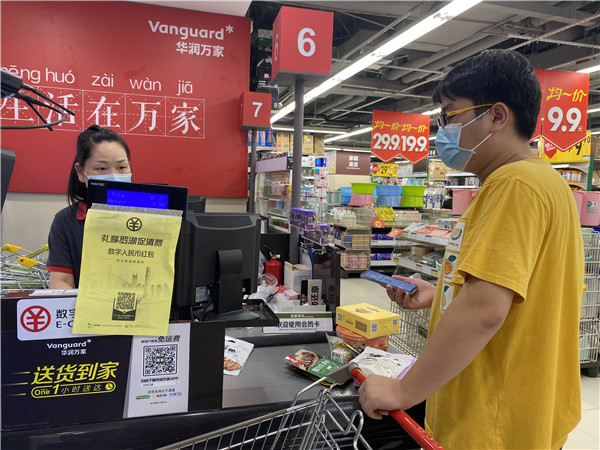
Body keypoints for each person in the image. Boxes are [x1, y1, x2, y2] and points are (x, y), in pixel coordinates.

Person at [358, 49, 583, 450]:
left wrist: (403, 390)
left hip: (493, 421)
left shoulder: (514, 185)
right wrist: (441, 295)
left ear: (497, 116)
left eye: (450, 115)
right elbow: (518, 293)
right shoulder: (545, 183)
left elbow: (485, 310)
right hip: (524, 412)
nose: (442, 131)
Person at [47, 125, 132, 288]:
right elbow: (61, 281)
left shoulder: (151, 214)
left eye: (122, 167)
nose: (114, 176)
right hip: (84, 304)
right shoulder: (65, 221)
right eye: (102, 168)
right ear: (81, 172)